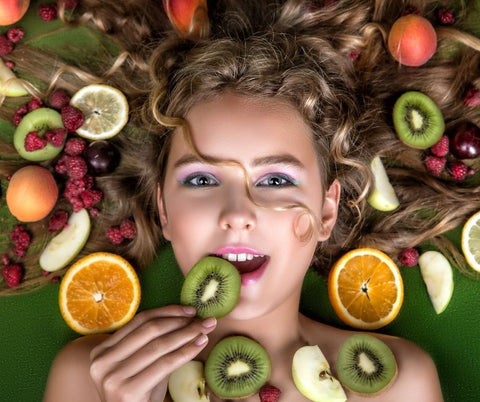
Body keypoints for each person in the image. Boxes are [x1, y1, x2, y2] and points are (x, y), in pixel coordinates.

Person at [1, 0, 479, 400]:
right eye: (203, 182)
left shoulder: (399, 385)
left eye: (274, 182)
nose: (237, 215)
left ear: (327, 211)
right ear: (164, 211)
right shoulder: (88, 380)